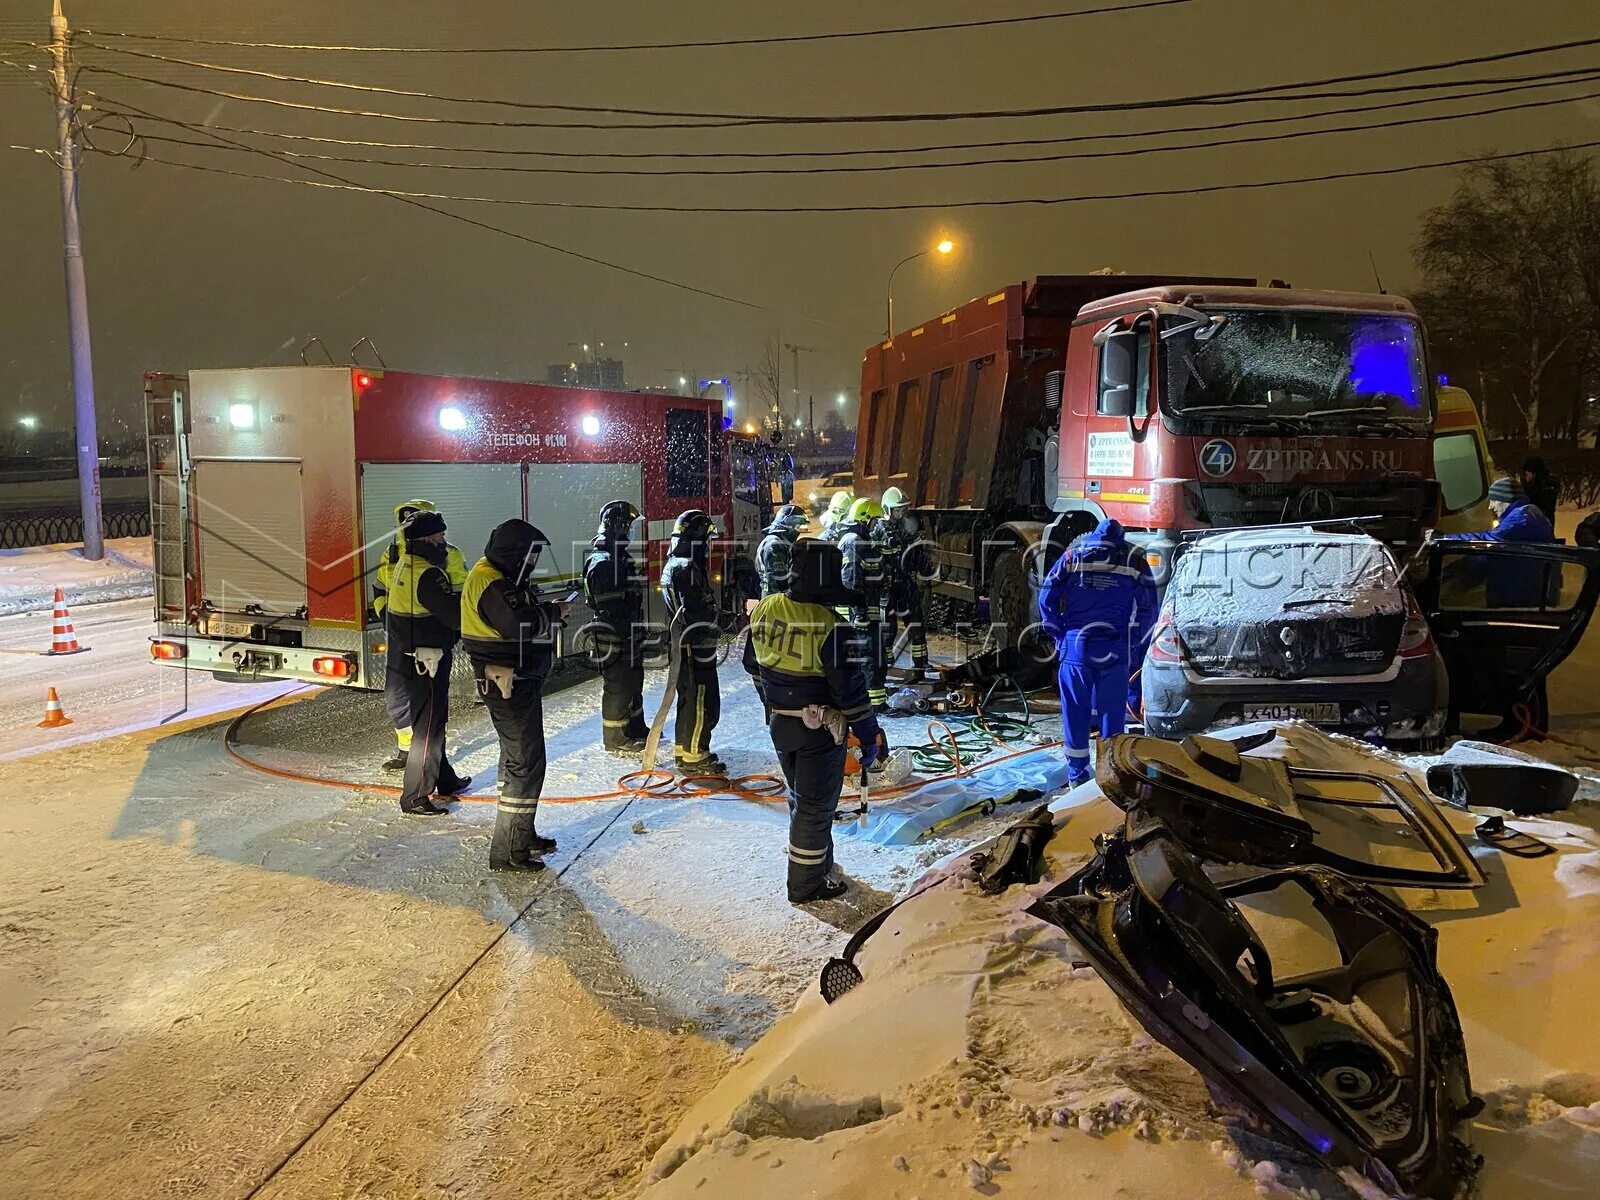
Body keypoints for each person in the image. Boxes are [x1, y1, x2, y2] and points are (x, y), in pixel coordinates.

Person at [744, 539, 885, 904]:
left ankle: (818, 865)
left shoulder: (766, 609)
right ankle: (806, 886)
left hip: (780, 725)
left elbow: (751, 662)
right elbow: (850, 693)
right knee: (815, 807)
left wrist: (771, 701)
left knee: (802, 799)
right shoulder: (831, 627)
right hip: (818, 732)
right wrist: (871, 736)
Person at [461, 519, 567, 872]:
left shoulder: (496, 576)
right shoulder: (492, 582)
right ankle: (509, 851)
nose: (534, 562)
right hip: (508, 682)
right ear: (515, 552)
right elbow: (517, 625)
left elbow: (517, 617)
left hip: (514, 680)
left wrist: (545, 612)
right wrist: (551, 613)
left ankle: (522, 835)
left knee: (519, 761)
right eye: (531, 554)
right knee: (524, 764)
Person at [1434, 476, 1558, 735]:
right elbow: (1492, 554)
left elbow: (1492, 540)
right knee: (1516, 665)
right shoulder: (1524, 516)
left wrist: (1444, 540)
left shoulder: (1524, 518)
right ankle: (1521, 722)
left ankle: (1528, 726)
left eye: (1494, 500)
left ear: (1505, 499)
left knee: (1523, 665)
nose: (1491, 506)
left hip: (1523, 603)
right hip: (1517, 599)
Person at [1039, 518, 1158, 786]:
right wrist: (1134, 642)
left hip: (1076, 646)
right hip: (1114, 646)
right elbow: (1149, 607)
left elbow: (1046, 598)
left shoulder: (1072, 557)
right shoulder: (1134, 561)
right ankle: (1111, 774)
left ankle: (1077, 776)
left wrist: (1059, 634)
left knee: (1076, 713)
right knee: (1111, 715)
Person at [385, 510, 472, 815]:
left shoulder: (403, 565)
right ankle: (416, 796)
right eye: (441, 536)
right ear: (426, 539)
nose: (445, 542)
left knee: (433, 720)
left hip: (412, 656)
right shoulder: (429, 573)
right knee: (429, 728)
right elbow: (453, 616)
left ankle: (445, 779)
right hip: (429, 659)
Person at [661, 509, 725, 774]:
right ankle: (695, 756)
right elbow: (696, 611)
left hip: (684, 645)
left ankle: (683, 750)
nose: (708, 546)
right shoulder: (686, 568)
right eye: (706, 540)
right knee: (701, 700)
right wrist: (718, 622)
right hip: (695, 646)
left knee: (688, 699)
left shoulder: (676, 565)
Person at [583, 500, 649, 754]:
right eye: (629, 526)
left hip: (627, 630)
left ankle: (635, 727)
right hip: (612, 632)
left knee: (633, 680)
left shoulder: (617, 555)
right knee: (618, 685)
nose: (632, 531)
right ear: (618, 527)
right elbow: (608, 602)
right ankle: (615, 739)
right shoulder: (603, 560)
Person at [839, 497, 890, 710]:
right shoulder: (853, 541)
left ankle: (875, 700)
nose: (877, 524)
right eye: (875, 519)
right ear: (864, 518)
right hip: (859, 615)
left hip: (867, 612)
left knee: (875, 655)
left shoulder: (860, 539)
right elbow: (851, 579)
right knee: (868, 656)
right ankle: (874, 704)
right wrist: (859, 614)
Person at [876, 485, 932, 678]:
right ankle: (886, 662)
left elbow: (916, 554)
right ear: (888, 510)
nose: (901, 513)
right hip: (888, 587)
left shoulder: (908, 529)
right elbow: (875, 560)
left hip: (907, 583)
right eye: (897, 510)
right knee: (887, 628)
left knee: (916, 623)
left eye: (903, 509)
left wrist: (924, 568)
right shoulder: (878, 530)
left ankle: (921, 663)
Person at [756, 503, 809, 597]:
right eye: (798, 526)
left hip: (777, 598)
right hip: (774, 599)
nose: (798, 532)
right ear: (790, 525)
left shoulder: (781, 542)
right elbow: (779, 580)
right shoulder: (774, 545)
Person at [1521, 456, 1560, 522]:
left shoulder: (1541, 489)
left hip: (1536, 524)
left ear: (1534, 473)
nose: (1526, 477)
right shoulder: (1548, 485)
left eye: (1527, 474)